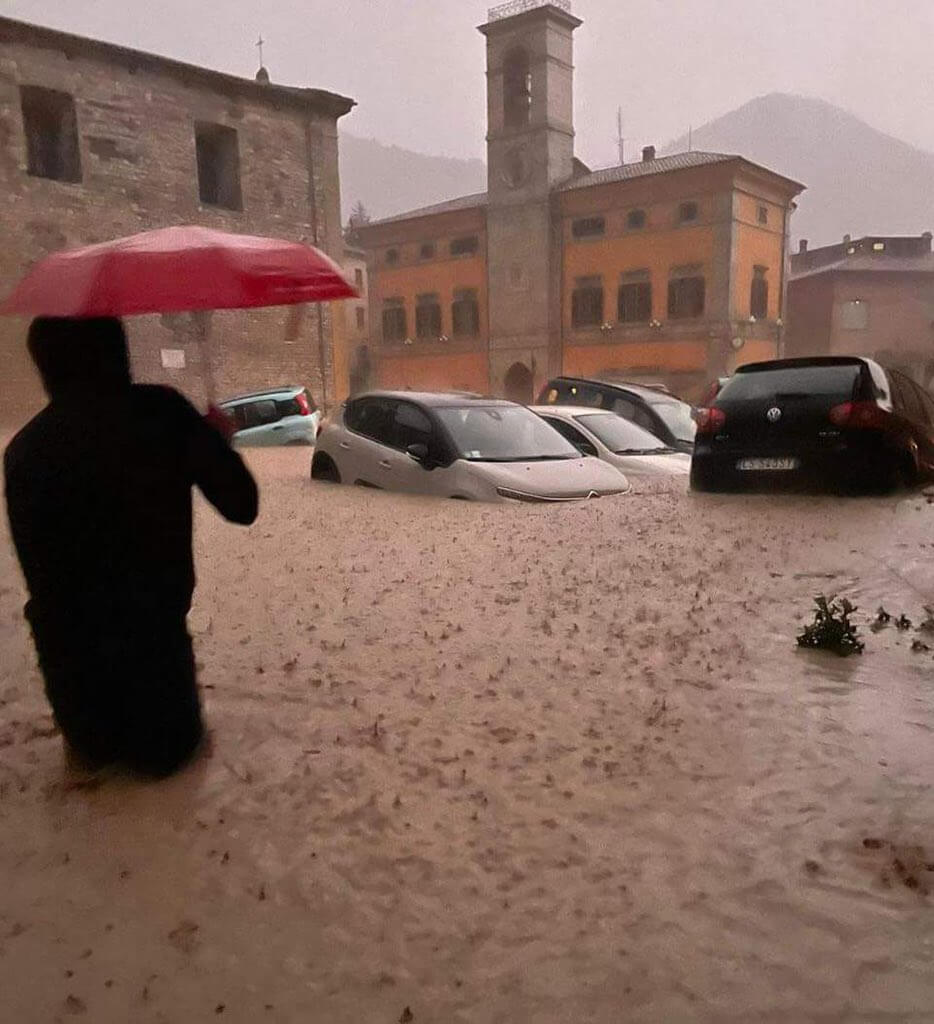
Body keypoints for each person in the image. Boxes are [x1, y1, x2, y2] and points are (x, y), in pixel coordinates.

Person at [4, 317, 259, 777]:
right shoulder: (163, 414)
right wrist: (217, 444)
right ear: (119, 352)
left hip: (77, 704)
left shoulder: (24, 450)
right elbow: (242, 505)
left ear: (45, 366)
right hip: (161, 691)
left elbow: (43, 580)